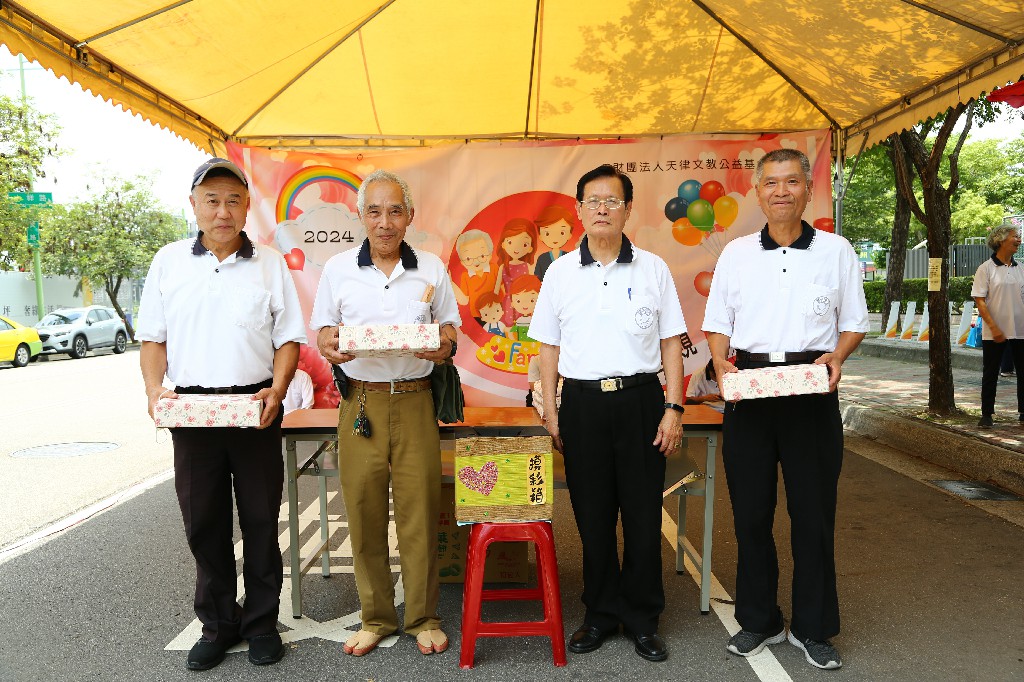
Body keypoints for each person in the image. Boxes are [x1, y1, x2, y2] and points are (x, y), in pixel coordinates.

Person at [702, 148, 868, 670]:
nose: (781, 191)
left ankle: (812, 627)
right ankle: (760, 619)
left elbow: (855, 321)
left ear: (807, 190)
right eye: (771, 183)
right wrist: (719, 361)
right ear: (757, 191)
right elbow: (717, 321)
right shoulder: (736, 254)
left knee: (812, 514)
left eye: (792, 181)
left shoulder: (836, 251)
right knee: (751, 513)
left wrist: (838, 355)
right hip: (750, 387)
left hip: (811, 387)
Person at [137, 157, 305, 671]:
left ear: (247, 206)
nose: (222, 211)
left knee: (260, 520)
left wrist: (278, 390)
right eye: (211, 200)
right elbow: (153, 338)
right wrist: (153, 391)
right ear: (193, 205)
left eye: (233, 200)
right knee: (203, 523)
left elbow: (288, 338)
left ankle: (261, 625)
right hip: (192, 412)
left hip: (255, 407)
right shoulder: (168, 261)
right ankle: (217, 625)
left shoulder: (270, 263)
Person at [529, 164, 686, 663]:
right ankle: (598, 614)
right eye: (593, 201)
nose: (602, 209)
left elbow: (671, 343)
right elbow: (548, 347)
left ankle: (642, 618)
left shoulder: (653, 269)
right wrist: (552, 410)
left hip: (641, 401)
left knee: (642, 517)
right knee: (592, 517)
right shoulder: (559, 272)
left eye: (612, 201)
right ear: (578, 209)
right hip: (582, 405)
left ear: (627, 209)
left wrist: (674, 407)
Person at [310, 169, 460, 658]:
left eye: (395, 211)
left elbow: (450, 330)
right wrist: (329, 344)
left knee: (420, 513)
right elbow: (323, 332)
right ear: (361, 216)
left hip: (416, 398)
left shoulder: (431, 267)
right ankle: (375, 616)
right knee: (363, 511)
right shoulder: (338, 270)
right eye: (374, 211)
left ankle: (423, 617)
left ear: (410, 216)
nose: (385, 222)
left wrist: (443, 346)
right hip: (361, 402)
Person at [972, 224, 1024, 428]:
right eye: (1015, 236)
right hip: (994, 331)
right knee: (991, 372)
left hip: (1020, 329)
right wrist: (993, 328)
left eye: (1019, 236)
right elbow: (980, 301)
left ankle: (1023, 412)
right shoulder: (986, 268)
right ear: (1000, 240)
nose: (1019, 240)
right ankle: (986, 414)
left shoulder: (1021, 268)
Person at [496, 218, 537, 327]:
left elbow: (534, 287)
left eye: (524, 244)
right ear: (503, 244)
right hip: (508, 302)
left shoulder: (528, 266)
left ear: (530, 248)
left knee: (524, 325)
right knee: (509, 326)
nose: (516, 248)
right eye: (510, 242)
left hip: (525, 301)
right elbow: (496, 290)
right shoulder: (503, 267)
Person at [451, 229, 499, 323]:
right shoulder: (465, 277)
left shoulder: (494, 268)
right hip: (477, 316)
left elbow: (503, 288)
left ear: (490, 255)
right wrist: (451, 283)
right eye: (469, 259)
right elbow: (464, 300)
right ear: (462, 262)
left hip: (497, 311)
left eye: (482, 256)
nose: (476, 261)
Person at [534, 204, 577, 281]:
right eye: (547, 233)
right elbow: (537, 279)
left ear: (569, 235)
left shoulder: (569, 257)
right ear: (540, 236)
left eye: (562, 233)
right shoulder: (542, 258)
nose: (555, 237)